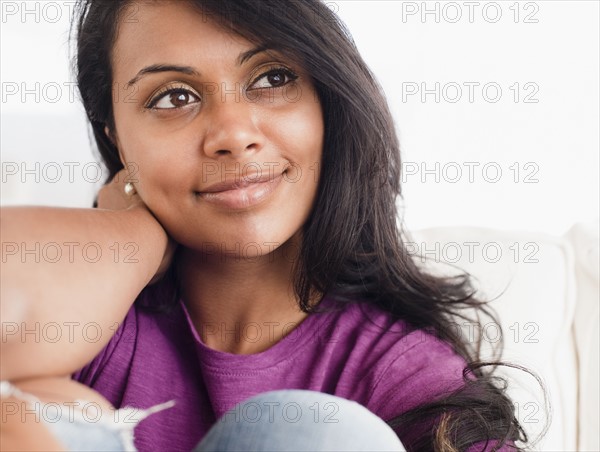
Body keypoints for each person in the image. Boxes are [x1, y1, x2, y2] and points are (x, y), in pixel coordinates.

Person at [1, 0, 535, 450]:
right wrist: (132, 231)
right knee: (36, 411)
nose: (233, 133)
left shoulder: (406, 377)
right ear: (116, 137)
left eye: (272, 78)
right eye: (174, 97)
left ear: (328, 103)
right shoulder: (86, 327)